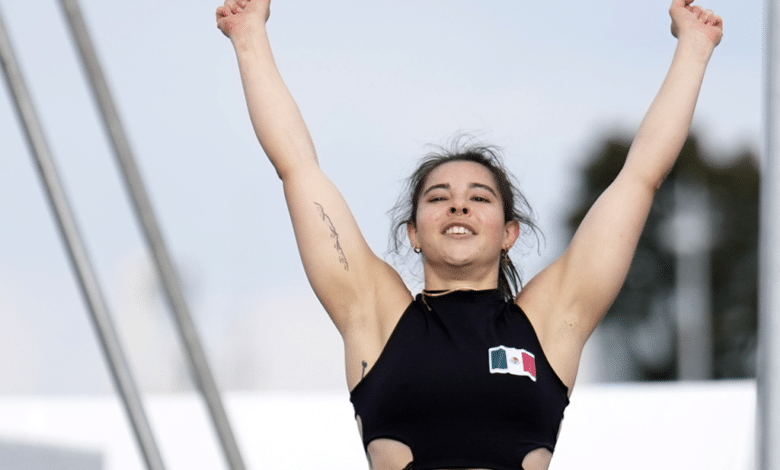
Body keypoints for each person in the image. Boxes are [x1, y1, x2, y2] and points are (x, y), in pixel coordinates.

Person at [216, 1, 723, 469]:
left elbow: (640, 177)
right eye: (438, 197)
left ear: (509, 233)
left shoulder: (548, 324)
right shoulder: (375, 315)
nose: (458, 203)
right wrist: (248, 34)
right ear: (413, 233)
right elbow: (297, 167)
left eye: (480, 197)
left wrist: (693, 48)